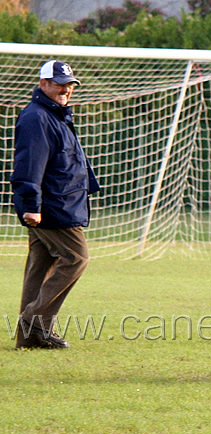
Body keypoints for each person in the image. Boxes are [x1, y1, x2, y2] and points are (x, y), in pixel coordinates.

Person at [11, 60, 100, 349]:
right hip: (52, 207)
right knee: (76, 257)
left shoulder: (56, 114)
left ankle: (30, 339)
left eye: (69, 84)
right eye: (59, 83)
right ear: (43, 84)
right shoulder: (37, 117)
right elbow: (30, 164)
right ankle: (33, 319)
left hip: (59, 202)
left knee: (40, 265)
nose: (65, 89)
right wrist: (31, 205)